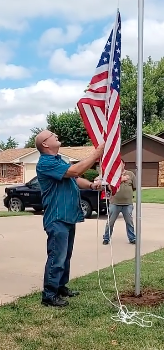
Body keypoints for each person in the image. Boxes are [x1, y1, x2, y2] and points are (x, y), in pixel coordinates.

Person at [35, 130, 104, 307]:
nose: (56, 134)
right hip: (57, 217)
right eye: (52, 134)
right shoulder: (45, 163)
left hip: (67, 216)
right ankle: (49, 295)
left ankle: (60, 287)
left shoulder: (58, 161)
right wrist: (96, 154)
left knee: (65, 256)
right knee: (57, 256)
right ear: (45, 144)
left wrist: (90, 185)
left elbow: (75, 178)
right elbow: (75, 170)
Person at [103, 160, 136, 245]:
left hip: (127, 203)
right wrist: (121, 179)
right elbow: (110, 187)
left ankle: (132, 238)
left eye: (121, 164)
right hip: (115, 203)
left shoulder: (131, 174)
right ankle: (106, 238)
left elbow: (134, 187)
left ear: (124, 164)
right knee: (110, 222)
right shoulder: (112, 175)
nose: (119, 165)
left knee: (129, 222)